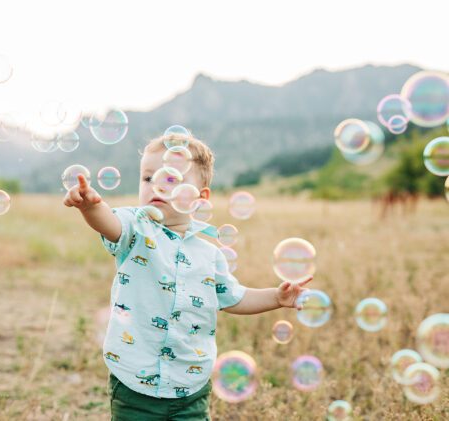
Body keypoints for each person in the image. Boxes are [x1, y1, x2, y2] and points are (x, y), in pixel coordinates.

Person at [63, 134, 311, 421]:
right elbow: (110, 224)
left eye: (171, 179)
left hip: (191, 385)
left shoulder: (210, 253)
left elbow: (234, 296)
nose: (156, 186)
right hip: (134, 383)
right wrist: (91, 207)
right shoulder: (136, 229)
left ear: (200, 196)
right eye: (147, 178)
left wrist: (277, 298)